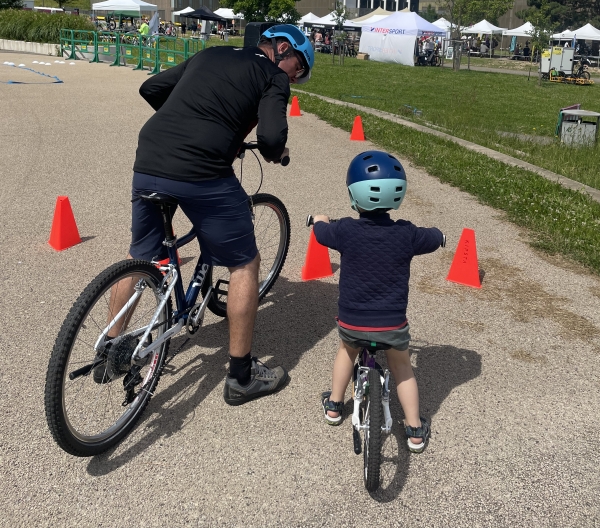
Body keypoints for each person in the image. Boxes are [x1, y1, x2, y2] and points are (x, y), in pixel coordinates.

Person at [99, 25, 315, 405]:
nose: (296, 77)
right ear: (282, 49)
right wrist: (275, 152)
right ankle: (242, 377)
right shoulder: (274, 77)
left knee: (141, 255)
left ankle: (109, 351)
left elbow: (150, 87)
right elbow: (270, 139)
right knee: (245, 264)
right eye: (299, 67)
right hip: (202, 171)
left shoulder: (211, 53)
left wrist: (190, 123)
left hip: (149, 156)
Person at [313, 151, 444, 452]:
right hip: (391, 323)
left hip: (352, 320)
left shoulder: (344, 229)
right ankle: (414, 429)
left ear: (353, 195)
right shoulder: (407, 233)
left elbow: (321, 233)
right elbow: (434, 238)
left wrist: (319, 221)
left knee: (347, 351)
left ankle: (334, 406)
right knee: (401, 365)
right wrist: (440, 234)